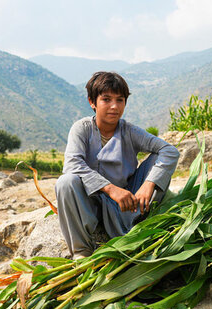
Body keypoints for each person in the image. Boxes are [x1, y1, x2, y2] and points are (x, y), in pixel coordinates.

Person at [55, 71, 179, 259]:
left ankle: (138, 224)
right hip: (92, 202)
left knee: (157, 160)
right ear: (92, 102)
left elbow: (169, 151)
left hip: (128, 205)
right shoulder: (82, 129)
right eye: (106, 99)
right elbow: (72, 164)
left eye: (120, 100)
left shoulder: (129, 131)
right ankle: (81, 251)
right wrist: (110, 189)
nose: (114, 106)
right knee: (66, 182)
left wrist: (148, 184)